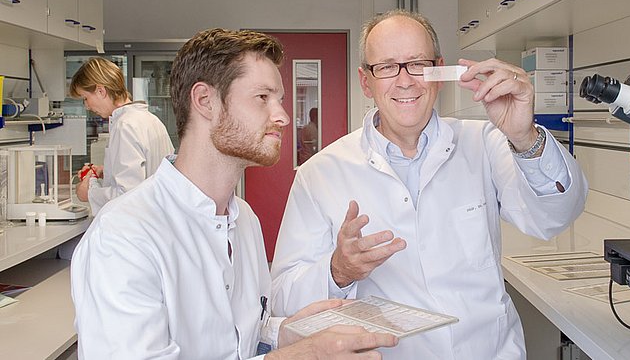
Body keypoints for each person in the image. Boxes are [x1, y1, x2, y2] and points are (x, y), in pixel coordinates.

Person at [270, 9, 588, 359]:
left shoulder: (485, 141)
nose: (405, 81)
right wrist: (338, 271)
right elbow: (283, 297)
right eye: (387, 67)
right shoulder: (322, 172)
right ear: (366, 81)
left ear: (438, 71)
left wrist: (525, 137)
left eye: (418, 64)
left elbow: (553, 218)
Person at [70, 28, 398, 359]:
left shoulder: (243, 219)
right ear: (204, 101)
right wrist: (300, 356)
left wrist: (285, 331)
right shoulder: (124, 236)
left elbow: (237, 334)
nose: (282, 116)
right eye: (262, 98)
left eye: (280, 100)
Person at [70, 57, 174, 215]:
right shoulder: (151, 120)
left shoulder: (125, 126)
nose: (87, 106)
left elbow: (127, 195)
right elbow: (148, 173)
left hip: (139, 228)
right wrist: (108, 171)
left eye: (86, 98)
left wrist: (89, 191)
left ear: (100, 90)